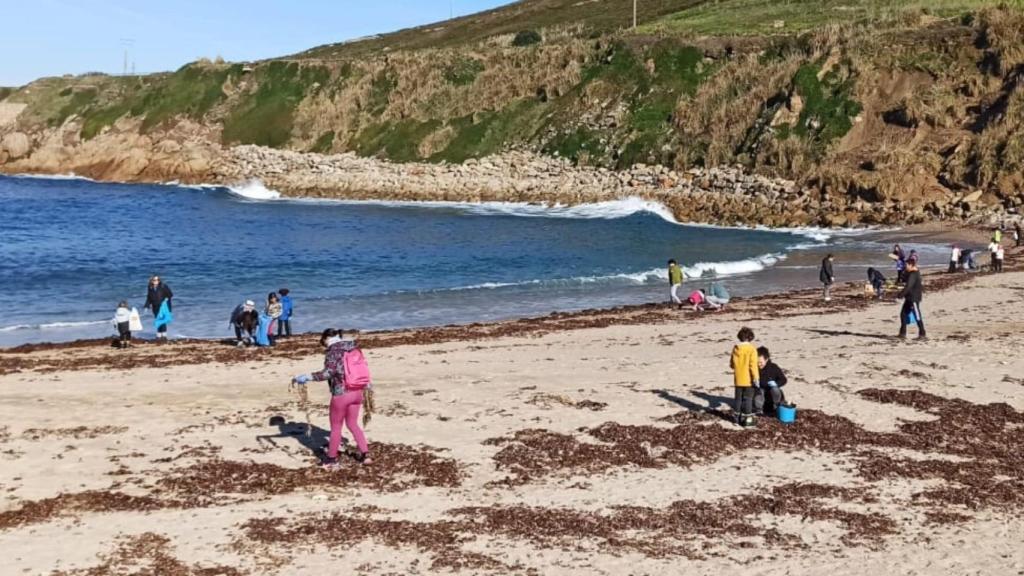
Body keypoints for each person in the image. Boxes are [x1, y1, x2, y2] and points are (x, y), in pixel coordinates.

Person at [292, 328, 372, 469]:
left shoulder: (333, 351)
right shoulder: (353, 347)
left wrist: (308, 377)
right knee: (353, 424)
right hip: (358, 391)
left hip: (341, 393)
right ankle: (365, 454)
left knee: (336, 427)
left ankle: (331, 459)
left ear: (326, 339)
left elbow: (328, 373)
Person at [730, 327, 759, 428]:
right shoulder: (752, 349)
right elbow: (753, 365)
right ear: (750, 337)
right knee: (748, 399)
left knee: (738, 399)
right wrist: (756, 378)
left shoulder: (735, 348)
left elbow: (732, 364)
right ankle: (747, 420)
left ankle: (736, 419)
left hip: (738, 379)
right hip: (748, 380)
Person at [897, 258, 925, 340]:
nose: (905, 267)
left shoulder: (914, 274)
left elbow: (908, 286)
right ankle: (902, 333)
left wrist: (901, 294)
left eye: (906, 265)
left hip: (914, 298)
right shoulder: (911, 273)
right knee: (903, 314)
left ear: (911, 265)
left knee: (917, 316)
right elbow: (904, 278)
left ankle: (922, 333)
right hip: (909, 298)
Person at [756, 346, 788, 416]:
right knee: (759, 390)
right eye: (757, 362)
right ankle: (758, 410)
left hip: (772, 395)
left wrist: (776, 384)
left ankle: (777, 406)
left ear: (766, 359)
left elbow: (784, 380)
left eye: (760, 362)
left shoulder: (774, 367)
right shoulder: (754, 368)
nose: (758, 364)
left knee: (775, 389)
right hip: (760, 396)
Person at [143, 275, 173, 340]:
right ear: (152, 280)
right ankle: (159, 335)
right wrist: (146, 306)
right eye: (154, 280)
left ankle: (164, 336)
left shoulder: (163, 286)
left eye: (157, 280)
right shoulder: (150, 287)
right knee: (158, 320)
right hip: (155, 306)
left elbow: (170, 294)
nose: (156, 281)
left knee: (162, 320)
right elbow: (149, 298)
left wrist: (166, 299)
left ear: (159, 280)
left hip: (163, 306)